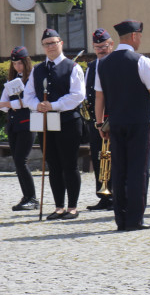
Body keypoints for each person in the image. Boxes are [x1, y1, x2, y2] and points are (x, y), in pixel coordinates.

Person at [93, 20, 150, 231]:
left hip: (115, 122)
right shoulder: (141, 60)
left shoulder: (104, 63)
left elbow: (99, 97)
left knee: (119, 171)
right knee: (138, 171)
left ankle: (121, 218)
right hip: (138, 122)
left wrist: (100, 123)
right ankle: (135, 219)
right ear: (135, 36)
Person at [23, 29, 86, 220]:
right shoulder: (37, 69)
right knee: (53, 164)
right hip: (46, 122)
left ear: (61, 43)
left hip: (68, 121)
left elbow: (78, 95)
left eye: (53, 42)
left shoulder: (72, 67)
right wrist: (38, 105)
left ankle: (72, 207)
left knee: (69, 164)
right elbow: (28, 96)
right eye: (46, 44)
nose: (50, 47)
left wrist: (54, 105)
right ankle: (59, 206)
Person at [0, 46, 37, 211]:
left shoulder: (33, 78)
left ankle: (32, 198)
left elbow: (31, 102)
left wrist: (14, 104)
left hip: (29, 123)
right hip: (14, 125)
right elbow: (2, 104)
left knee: (21, 160)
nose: (17, 67)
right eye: (14, 64)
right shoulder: (12, 81)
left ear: (26, 62)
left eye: (20, 64)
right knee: (17, 161)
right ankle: (26, 196)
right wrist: (13, 104)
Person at [84, 29, 115, 211]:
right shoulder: (91, 67)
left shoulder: (116, 64)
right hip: (96, 121)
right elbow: (88, 94)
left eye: (104, 46)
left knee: (114, 158)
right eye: (97, 47)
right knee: (99, 158)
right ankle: (103, 196)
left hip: (113, 119)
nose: (101, 50)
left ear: (111, 45)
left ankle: (115, 195)